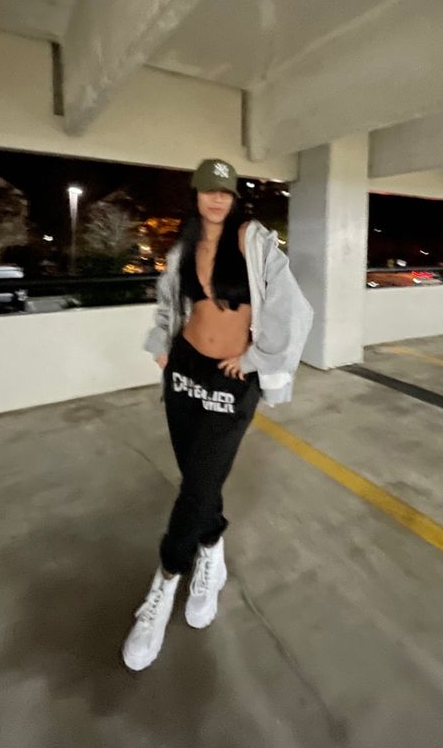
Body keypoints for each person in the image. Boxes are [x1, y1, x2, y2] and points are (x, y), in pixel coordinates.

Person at [122, 158, 313, 671]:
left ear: (235, 198)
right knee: (197, 479)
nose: (216, 199)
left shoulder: (253, 241)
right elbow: (169, 302)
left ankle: (164, 584)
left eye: (225, 192)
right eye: (208, 190)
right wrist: (162, 344)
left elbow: (290, 308)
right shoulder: (184, 244)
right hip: (184, 371)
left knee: (198, 481)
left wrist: (254, 359)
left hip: (231, 380)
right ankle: (212, 547)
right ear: (196, 195)